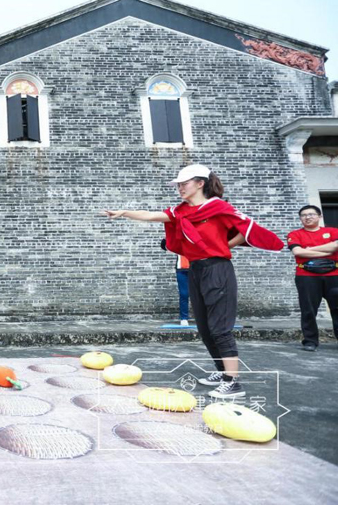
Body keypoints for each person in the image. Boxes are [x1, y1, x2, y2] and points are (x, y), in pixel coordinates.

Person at [103, 164, 283, 399]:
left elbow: (247, 229)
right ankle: (222, 371)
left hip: (217, 269)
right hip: (196, 269)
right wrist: (124, 212)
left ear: (200, 183)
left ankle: (233, 383)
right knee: (205, 328)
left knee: (220, 327)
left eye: (184, 183)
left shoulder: (218, 207)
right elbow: (151, 215)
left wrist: (223, 247)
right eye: (178, 185)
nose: (180, 188)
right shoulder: (180, 211)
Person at [286, 205, 338, 351]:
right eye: (304, 215)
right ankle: (310, 341)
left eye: (311, 214)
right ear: (300, 218)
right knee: (308, 309)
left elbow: (336, 246)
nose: (307, 217)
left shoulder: (333, 231)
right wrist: (326, 251)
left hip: (334, 275)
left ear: (319, 216)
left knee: (337, 308)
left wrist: (309, 250)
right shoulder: (295, 234)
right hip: (307, 276)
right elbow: (298, 252)